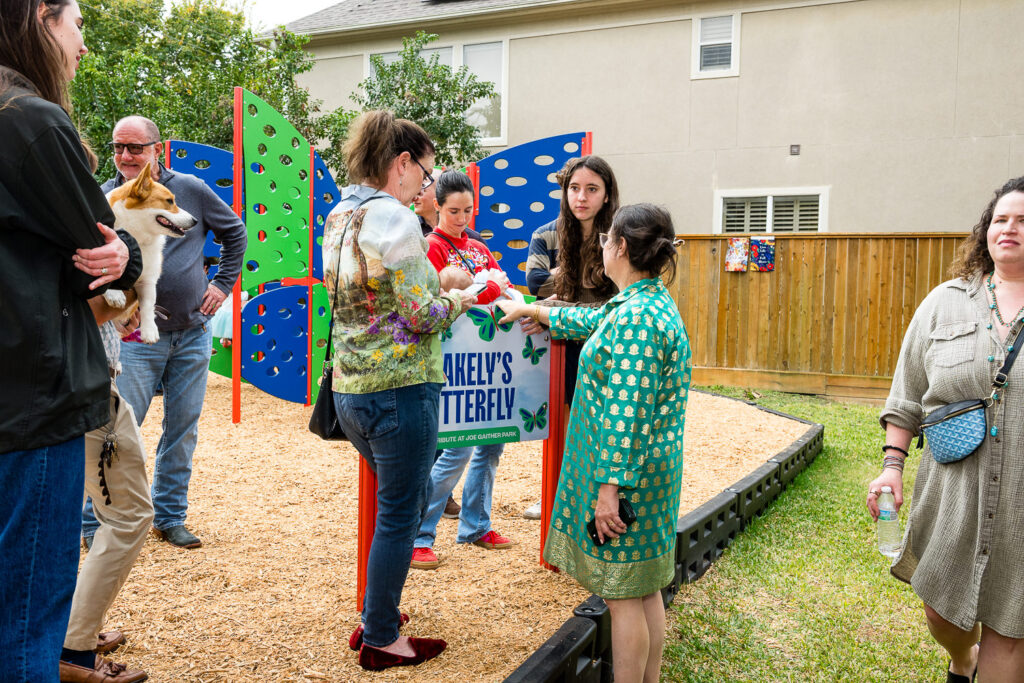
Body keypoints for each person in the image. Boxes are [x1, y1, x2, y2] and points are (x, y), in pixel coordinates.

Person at [0, 1, 141, 680]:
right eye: (76, 23)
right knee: (27, 618)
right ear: (38, 17)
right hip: (36, 402)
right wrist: (129, 258)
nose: (82, 45)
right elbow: (104, 249)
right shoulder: (27, 120)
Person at [498, 203, 690, 683]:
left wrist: (609, 493)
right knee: (645, 589)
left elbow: (627, 415)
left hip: (630, 480)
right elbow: (591, 321)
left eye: (606, 240)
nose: (601, 246)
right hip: (653, 472)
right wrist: (534, 310)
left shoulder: (637, 321)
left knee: (624, 596)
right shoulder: (642, 303)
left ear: (621, 247)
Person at [323, 110, 475, 671]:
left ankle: (378, 609)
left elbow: (370, 296)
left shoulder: (339, 214)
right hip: (402, 388)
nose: (429, 189)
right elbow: (422, 315)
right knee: (401, 514)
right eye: (428, 176)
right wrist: (460, 291)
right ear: (402, 164)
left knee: (397, 505)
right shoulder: (398, 219)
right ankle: (381, 635)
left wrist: (435, 286)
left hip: (350, 390)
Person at [867, 176, 1024, 683]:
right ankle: (962, 658)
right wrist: (892, 468)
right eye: (1002, 219)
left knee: (1011, 626)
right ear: (986, 230)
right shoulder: (944, 302)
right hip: (953, 489)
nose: (1010, 228)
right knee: (941, 610)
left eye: (1023, 220)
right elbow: (907, 394)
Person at [80, 114, 248, 550]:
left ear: (157, 148)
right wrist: (114, 310)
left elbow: (235, 232)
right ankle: (93, 521)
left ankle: (170, 516)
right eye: (118, 147)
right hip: (136, 338)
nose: (125, 156)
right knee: (117, 427)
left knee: (183, 427)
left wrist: (223, 284)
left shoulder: (188, 189)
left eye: (135, 147)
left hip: (192, 330)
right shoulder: (106, 197)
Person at [410, 170, 514, 571]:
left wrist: (493, 292)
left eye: (468, 210)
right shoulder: (430, 247)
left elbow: (499, 287)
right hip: (455, 360)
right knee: (458, 447)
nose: (462, 218)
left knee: (493, 442)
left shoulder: (478, 247)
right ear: (437, 206)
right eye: (454, 210)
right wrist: (480, 291)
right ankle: (420, 535)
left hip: (491, 358)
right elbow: (436, 296)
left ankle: (476, 524)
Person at [521, 155, 620, 519]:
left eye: (592, 189)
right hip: (561, 342)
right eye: (574, 188)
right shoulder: (546, 233)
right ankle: (552, 494)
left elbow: (614, 289)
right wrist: (580, 283)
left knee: (601, 421)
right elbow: (534, 282)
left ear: (607, 195)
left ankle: (599, 497)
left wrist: (563, 291)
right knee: (560, 421)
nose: (581, 197)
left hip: (603, 342)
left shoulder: (617, 236)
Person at [60, 296, 151, 683]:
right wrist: (132, 297)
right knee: (128, 517)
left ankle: (72, 627)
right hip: (84, 382)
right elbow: (87, 307)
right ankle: (73, 648)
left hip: (76, 378)